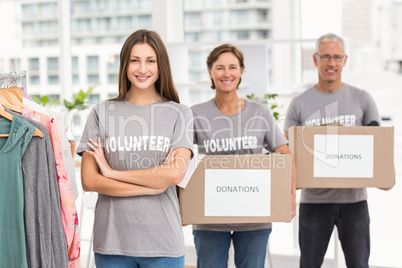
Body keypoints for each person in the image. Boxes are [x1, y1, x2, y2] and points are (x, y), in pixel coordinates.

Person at [76, 29, 193, 268]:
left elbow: (174, 173)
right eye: (134, 60)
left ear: (161, 65)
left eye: (150, 60)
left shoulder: (180, 113)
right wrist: (152, 186)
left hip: (163, 243)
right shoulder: (101, 113)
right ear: (124, 65)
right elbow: (89, 181)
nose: (142, 69)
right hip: (112, 243)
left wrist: (111, 173)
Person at [284, 33, 388, 268]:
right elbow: (289, 153)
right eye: (326, 57)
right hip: (313, 202)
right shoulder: (299, 104)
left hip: (354, 202)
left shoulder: (363, 99)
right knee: (309, 264)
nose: (332, 63)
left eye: (337, 57)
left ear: (345, 60)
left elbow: (377, 146)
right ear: (315, 59)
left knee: (359, 264)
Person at [191, 44, 296, 268]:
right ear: (210, 72)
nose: (226, 73)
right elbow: (182, 157)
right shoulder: (196, 114)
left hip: (253, 217)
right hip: (210, 217)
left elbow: (285, 156)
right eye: (220, 68)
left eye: (232, 67)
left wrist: (289, 198)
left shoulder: (260, 113)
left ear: (241, 71)